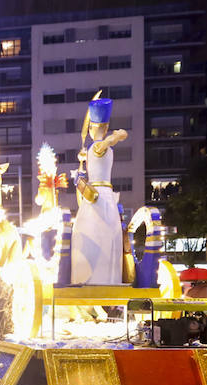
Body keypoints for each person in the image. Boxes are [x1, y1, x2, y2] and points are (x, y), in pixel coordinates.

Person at [71, 97, 127, 285]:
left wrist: (115, 137)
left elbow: (102, 146)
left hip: (97, 197)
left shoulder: (97, 147)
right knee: (104, 235)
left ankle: (93, 279)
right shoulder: (93, 148)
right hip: (103, 197)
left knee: (95, 235)